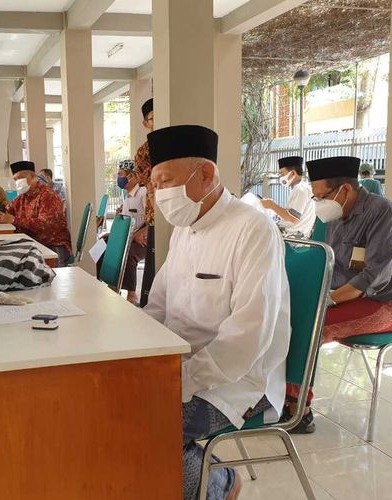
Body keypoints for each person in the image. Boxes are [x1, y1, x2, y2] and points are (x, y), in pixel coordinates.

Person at [143, 125, 291, 500]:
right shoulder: (184, 227)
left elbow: (247, 338)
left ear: (205, 174)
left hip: (238, 378)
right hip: (180, 364)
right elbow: (158, 306)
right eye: (155, 185)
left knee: (149, 425)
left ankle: (220, 486)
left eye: (165, 181)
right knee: (112, 401)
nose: (159, 195)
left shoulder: (252, 229)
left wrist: (182, 379)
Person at [286, 156, 392, 434]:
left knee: (311, 325)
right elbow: (329, 264)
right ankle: (278, 391)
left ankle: (298, 410)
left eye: (320, 196)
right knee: (289, 313)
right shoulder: (337, 214)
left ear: (344, 190)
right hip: (349, 297)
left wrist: (326, 300)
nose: (318, 203)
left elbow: (375, 277)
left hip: (388, 303)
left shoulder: (383, 212)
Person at [0, 160, 72, 266]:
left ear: (33, 177)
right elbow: (7, 210)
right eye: (15, 179)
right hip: (33, 243)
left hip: (53, 245)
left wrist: (14, 220)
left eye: (21, 177)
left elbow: (45, 225)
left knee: (49, 278)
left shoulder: (48, 196)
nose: (18, 181)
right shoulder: (22, 198)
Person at [96, 159, 147, 305]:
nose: (119, 177)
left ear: (133, 176)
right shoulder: (127, 197)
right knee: (101, 245)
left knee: (129, 253)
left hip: (141, 239)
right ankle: (107, 282)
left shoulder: (143, 193)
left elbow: (153, 218)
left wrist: (142, 231)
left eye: (121, 174)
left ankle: (132, 294)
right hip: (127, 236)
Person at [260, 156, 316, 238]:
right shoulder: (300, 188)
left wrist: (272, 205)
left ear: (293, 173)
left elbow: (293, 218)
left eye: (282, 173)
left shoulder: (300, 189)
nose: (280, 177)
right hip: (290, 233)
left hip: (293, 239)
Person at [134, 98, 155, 306]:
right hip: (156, 217)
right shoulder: (143, 153)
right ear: (146, 123)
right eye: (153, 119)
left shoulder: (179, 144)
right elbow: (149, 186)